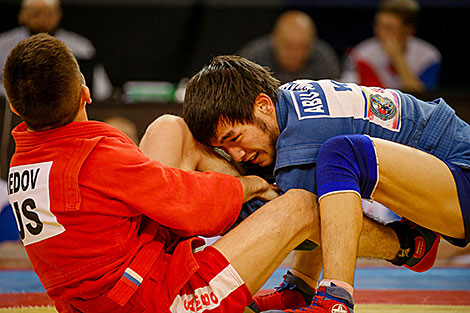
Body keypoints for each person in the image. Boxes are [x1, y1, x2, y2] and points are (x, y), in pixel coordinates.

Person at [3, 33, 325, 313]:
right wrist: (253, 184)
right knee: (300, 203)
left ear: (16, 108)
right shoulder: (94, 157)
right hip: (158, 300)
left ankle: (275, 219)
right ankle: (330, 290)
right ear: (86, 93)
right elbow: (192, 208)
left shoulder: (22, 162)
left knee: (168, 127)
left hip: (104, 297)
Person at [182, 55, 470, 313]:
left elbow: (298, 226)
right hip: (441, 176)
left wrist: (229, 194)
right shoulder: (289, 104)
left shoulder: (304, 132)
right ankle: (300, 288)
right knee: (319, 183)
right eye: (223, 148)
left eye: (234, 139)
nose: (237, 154)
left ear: (263, 105)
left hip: (460, 176)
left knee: (337, 157)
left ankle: (338, 297)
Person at [0, 0, 112, 100]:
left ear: (59, 15)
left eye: (49, 14)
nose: (43, 18)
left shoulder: (80, 46)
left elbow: (102, 90)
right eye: (36, 13)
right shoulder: (3, 44)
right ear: (22, 15)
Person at [340, 0, 441, 93]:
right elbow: (377, 98)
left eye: (388, 28)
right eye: (378, 25)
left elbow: (424, 98)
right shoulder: (362, 54)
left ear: (408, 30)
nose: (379, 32)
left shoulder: (429, 56)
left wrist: (398, 58)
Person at [238, 10, 340, 84]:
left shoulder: (324, 58)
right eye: (288, 46)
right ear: (274, 38)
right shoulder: (252, 59)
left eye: (303, 47)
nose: (295, 54)